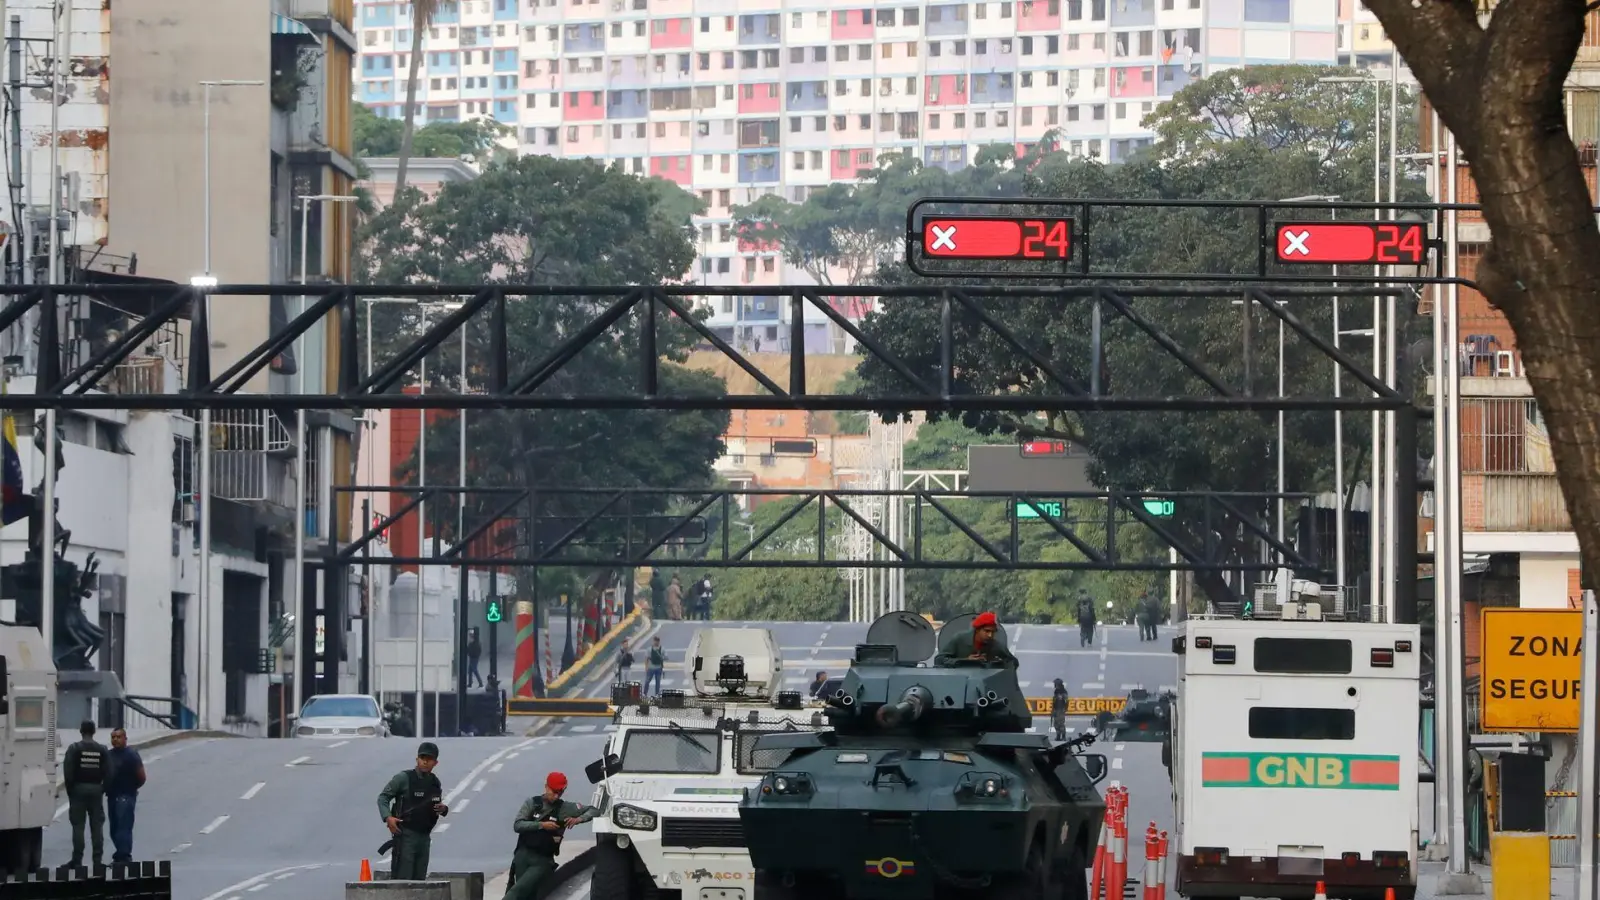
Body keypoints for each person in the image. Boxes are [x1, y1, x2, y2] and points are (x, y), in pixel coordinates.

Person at [502, 772, 600, 900]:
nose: (555, 796)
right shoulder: (533, 803)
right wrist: (542, 825)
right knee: (527, 895)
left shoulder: (565, 808)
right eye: (553, 791)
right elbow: (518, 825)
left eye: (559, 793)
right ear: (546, 787)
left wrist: (579, 819)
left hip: (542, 860)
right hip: (523, 855)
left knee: (517, 891)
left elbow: (594, 810)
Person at [377, 742, 450, 880]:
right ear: (417, 759)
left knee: (420, 881)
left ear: (436, 762)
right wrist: (388, 817)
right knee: (404, 879)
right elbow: (383, 798)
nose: (425, 761)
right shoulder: (404, 778)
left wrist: (443, 808)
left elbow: (435, 804)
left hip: (424, 837)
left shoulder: (435, 782)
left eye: (429, 759)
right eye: (422, 757)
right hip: (406, 836)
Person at [63, 719, 109, 868]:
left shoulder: (74, 748)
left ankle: (77, 860)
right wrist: (103, 788)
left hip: (78, 789)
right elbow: (109, 771)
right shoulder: (101, 749)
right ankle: (97, 861)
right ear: (94, 731)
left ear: (81, 731)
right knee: (97, 826)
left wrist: (71, 790)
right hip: (96, 789)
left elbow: (68, 772)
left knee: (78, 826)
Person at [105, 727, 145, 864]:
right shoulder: (108, 755)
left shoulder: (131, 755)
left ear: (125, 739)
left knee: (123, 827)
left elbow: (141, 777)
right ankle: (121, 854)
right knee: (114, 828)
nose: (115, 739)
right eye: (113, 737)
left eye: (118, 737)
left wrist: (131, 789)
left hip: (125, 796)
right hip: (112, 796)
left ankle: (124, 856)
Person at [935, 612, 1019, 668]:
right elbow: (939, 660)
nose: (990, 635)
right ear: (977, 630)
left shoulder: (995, 645)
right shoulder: (960, 639)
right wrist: (966, 661)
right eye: (987, 631)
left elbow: (1013, 663)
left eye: (993, 632)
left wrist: (995, 663)